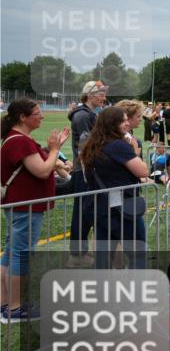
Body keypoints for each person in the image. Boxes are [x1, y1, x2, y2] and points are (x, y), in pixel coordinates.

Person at [1, 98, 70, 322]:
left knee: (12, 252)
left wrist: (55, 155)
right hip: (25, 206)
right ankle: (14, 308)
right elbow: (42, 170)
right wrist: (55, 149)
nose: (42, 116)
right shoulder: (19, 141)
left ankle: (5, 304)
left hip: (22, 205)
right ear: (23, 117)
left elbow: (45, 165)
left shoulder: (16, 139)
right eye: (37, 113)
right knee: (20, 254)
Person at [80, 106, 149, 270]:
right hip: (122, 207)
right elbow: (143, 171)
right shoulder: (118, 145)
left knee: (103, 257)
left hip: (100, 206)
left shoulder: (92, 144)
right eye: (123, 120)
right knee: (138, 253)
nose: (127, 124)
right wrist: (135, 153)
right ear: (112, 124)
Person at [67, 80, 107, 267]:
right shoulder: (82, 116)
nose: (104, 98)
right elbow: (87, 145)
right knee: (82, 212)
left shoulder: (89, 114)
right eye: (101, 94)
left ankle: (80, 252)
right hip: (83, 170)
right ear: (90, 95)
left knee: (87, 212)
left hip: (88, 169)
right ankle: (76, 254)